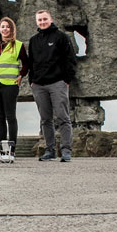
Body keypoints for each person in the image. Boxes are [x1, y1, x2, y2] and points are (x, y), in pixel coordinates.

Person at [27, 9, 76, 162]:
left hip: (57, 83)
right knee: (45, 119)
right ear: (36, 22)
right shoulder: (33, 40)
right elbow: (31, 63)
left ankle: (66, 150)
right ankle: (50, 150)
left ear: (51, 19)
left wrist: (66, 79)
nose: (42, 22)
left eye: (44, 19)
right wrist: (32, 81)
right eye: (39, 20)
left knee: (63, 117)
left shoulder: (61, 37)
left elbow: (70, 59)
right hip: (39, 85)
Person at [0, 17, 29, 161]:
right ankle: (2, 151)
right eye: (2, 26)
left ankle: (12, 150)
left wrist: (21, 75)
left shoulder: (18, 45)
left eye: (7, 27)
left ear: (11, 29)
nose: (5, 29)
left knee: (10, 117)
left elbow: (27, 64)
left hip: (10, 85)